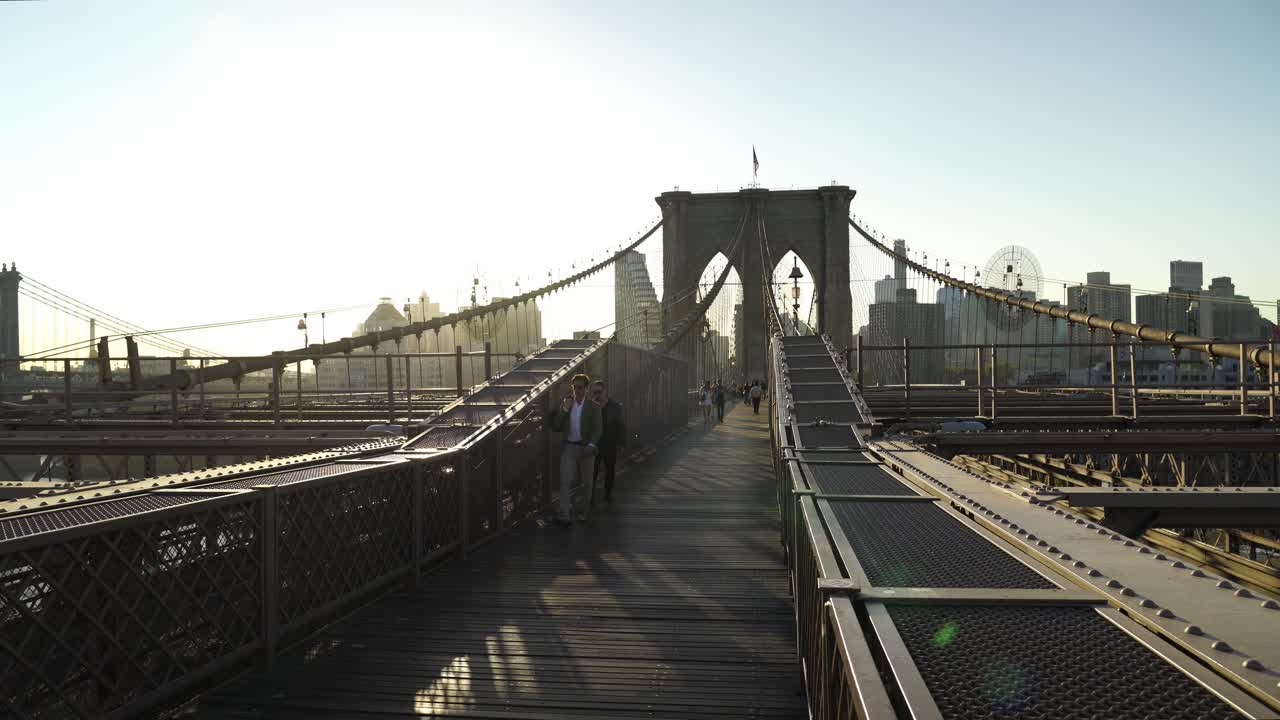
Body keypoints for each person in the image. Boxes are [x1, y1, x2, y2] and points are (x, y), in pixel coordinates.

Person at [548, 373, 602, 525]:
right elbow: (557, 425)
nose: (577, 390)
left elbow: (598, 429)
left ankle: (584, 511)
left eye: (580, 387)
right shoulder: (567, 404)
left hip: (586, 449)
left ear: (586, 388)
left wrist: (592, 445)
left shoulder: (594, 407)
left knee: (586, 483)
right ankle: (564, 514)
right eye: (574, 387)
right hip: (570, 447)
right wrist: (565, 409)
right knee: (565, 480)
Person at [591, 380, 626, 505]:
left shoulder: (614, 406)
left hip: (609, 443)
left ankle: (608, 493)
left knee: (609, 469)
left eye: (599, 392)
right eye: (594, 392)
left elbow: (620, 425)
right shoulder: (590, 406)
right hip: (594, 444)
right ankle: (590, 496)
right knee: (592, 471)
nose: (597, 395)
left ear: (605, 391)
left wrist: (621, 443)